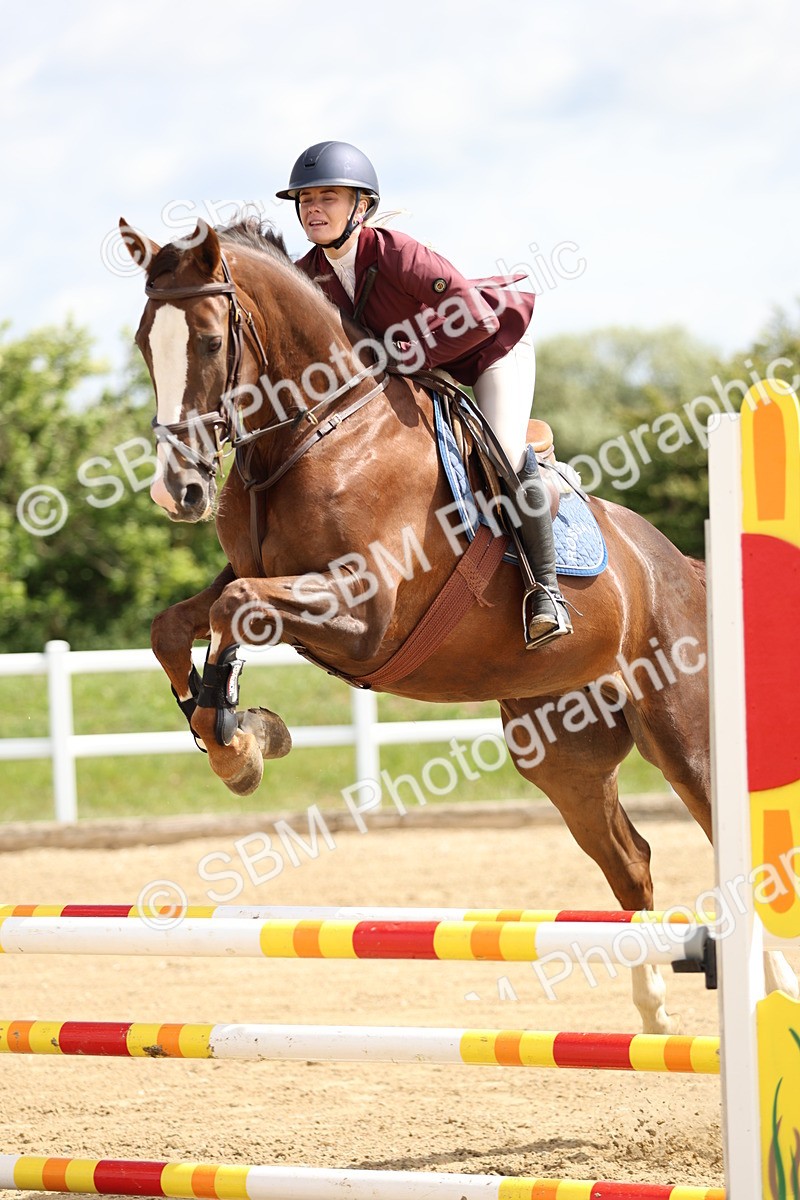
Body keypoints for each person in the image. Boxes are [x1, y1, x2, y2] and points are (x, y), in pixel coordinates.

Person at [277, 140, 571, 648]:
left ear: (361, 207)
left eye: (328, 197)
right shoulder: (308, 275)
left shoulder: (398, 252)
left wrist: (400, 357)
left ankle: (545, 592)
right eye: (305, 199)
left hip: (493, 350)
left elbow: (476, 319)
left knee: (501, 454)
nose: (313, 208)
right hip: (428, 371)